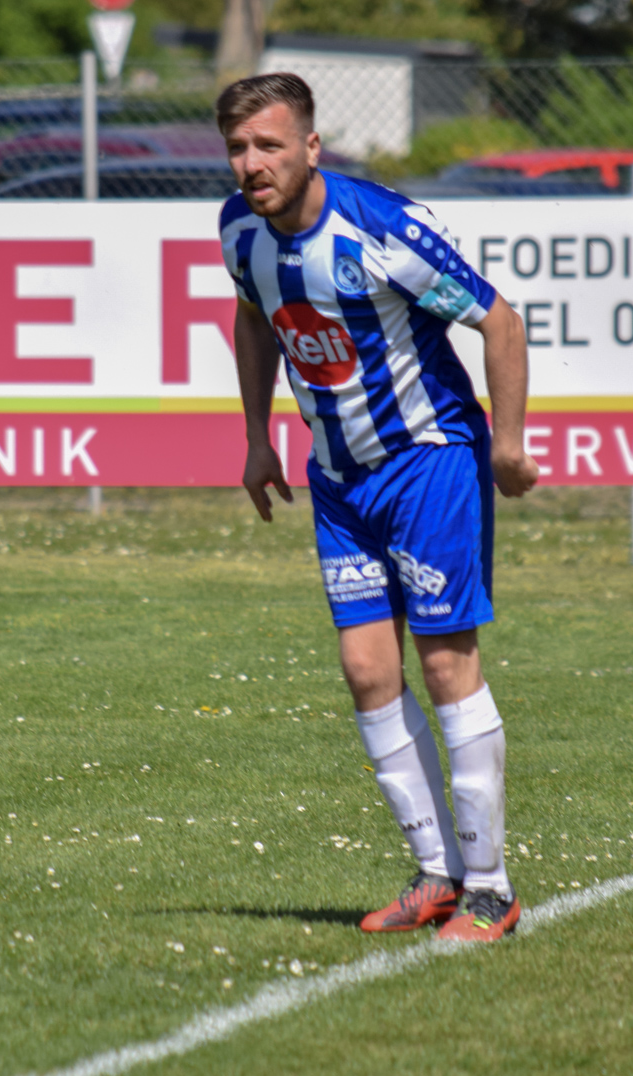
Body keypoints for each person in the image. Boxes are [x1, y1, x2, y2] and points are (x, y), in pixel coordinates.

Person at [215, 73, 540, 941]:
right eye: (239, 149)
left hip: (428, 462)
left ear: (311, 146)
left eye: (270, 145)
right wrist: (256, 437)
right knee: (367, 671)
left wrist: (508, 444)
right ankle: (437, 875)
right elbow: (253, 319)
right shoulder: (238, 229)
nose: (252, 164)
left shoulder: (380, 228)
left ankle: (491, 888)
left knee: (444, 666)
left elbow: (500, 321)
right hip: (337, 478)